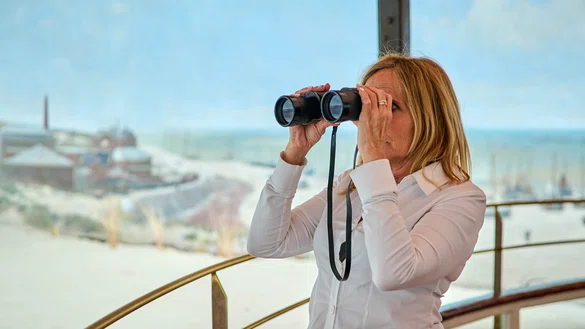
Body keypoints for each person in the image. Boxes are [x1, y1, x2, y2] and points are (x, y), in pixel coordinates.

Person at [247, 52, 487, 329]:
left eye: (389, 107)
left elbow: (393, 274)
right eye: (368, 107)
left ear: (429, 118)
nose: (372, 121)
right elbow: (266, 243)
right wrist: (294, 153)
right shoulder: (351, 185)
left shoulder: (460, 198)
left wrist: (373, 158)